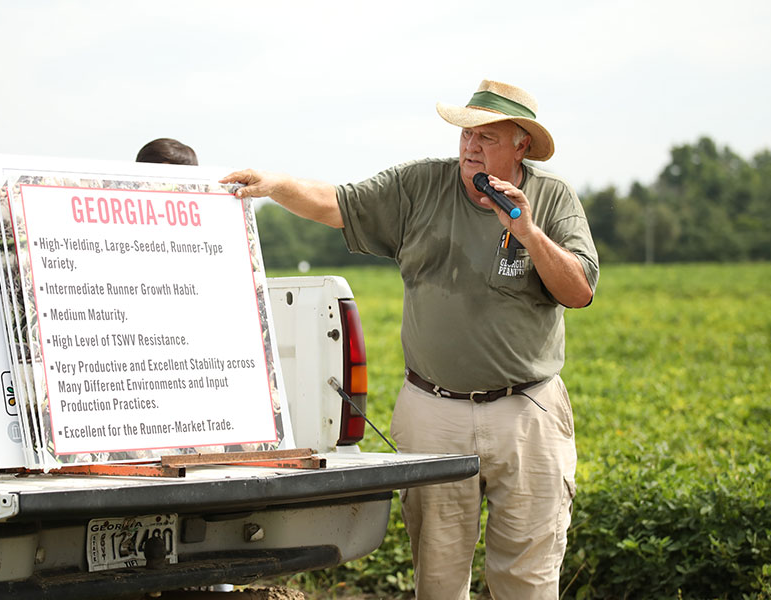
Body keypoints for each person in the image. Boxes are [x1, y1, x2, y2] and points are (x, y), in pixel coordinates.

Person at [221, 79, 598, 599]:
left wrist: (528, 231)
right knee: (438, 578)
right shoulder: (419, 187)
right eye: (466, 134)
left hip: (525, 411)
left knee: (527, 581)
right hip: (433, 408)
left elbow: (578, 291)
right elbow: (338, 204)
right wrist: (278, 183)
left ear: (521, 144)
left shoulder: (552, 198)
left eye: (487, 137)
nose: (470, 147)